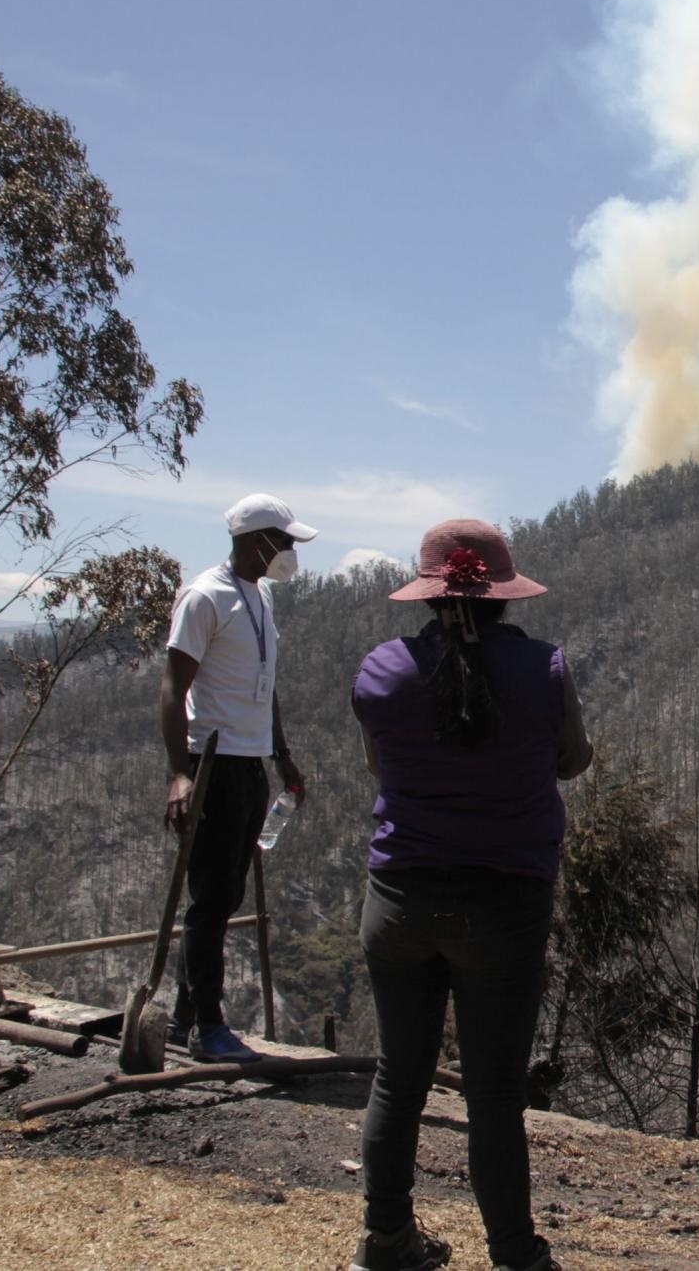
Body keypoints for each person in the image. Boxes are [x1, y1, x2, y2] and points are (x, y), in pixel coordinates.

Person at [348, 520, 592, 1271]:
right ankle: (515, 1255)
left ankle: (385, 1241)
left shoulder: (382, 672)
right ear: (500, 595)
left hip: (398, 898)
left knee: (400, 1075)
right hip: (503, 901)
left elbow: (380, 766)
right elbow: (573, 761)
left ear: (428, 592)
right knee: (493, 1093)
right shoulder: (541, 669)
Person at [159, 493, 316, 1064]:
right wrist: (179, 774)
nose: (292, 552)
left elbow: (264, 683)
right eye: (287, 541)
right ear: (259, 542)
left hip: (248, 765)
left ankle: (183, 1020)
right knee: (209, 899)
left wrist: (282, 756)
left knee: (223, 896)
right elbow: (173, 687)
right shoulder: (206, 597)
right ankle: (208, 1027)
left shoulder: (260, 596)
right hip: (212, 765)